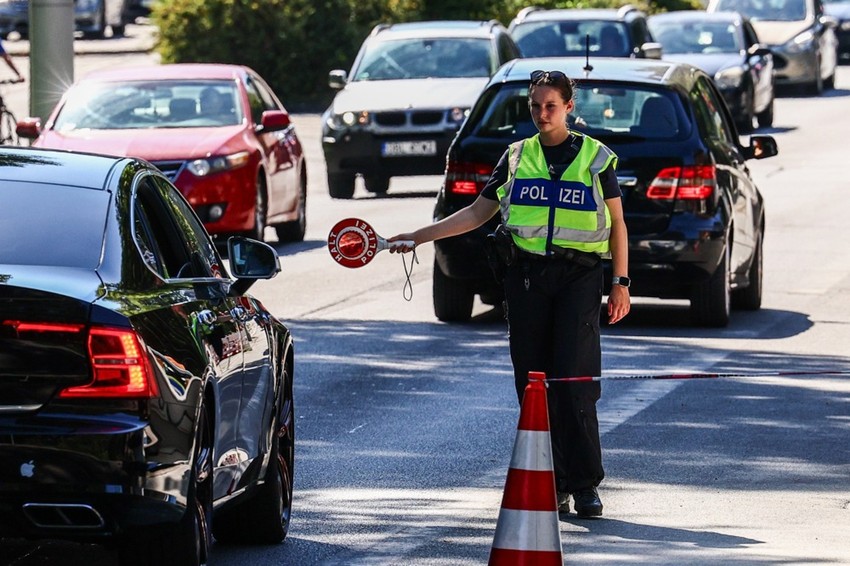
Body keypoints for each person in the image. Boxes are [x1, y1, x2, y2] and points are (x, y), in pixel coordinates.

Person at [387, 69, 630, 518]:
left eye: (551, 106)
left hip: (579, 278)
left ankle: (584, 485)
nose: (542, 113)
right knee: (533, 384)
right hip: (527, 280)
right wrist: (418, 236)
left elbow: (618, 226)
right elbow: (479, 212)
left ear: (569, 108)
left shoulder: (597, 158)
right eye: (535, 106)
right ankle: (550, 481)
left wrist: (620, 283)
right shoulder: (517, 157)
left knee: (574, 383)